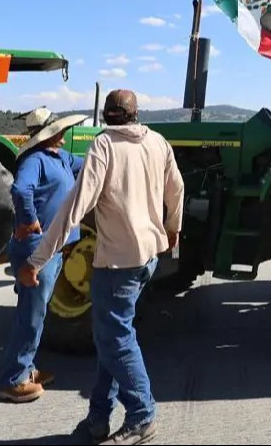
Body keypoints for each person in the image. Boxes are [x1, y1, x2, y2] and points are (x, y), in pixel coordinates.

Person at [22, 89, 184, 446]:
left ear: (107, 116)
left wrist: (37, 260)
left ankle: (142, 415)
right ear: (135, 113)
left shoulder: (104, 146)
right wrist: (173, 230)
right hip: (148, 257)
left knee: (116, 339)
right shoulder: (158, 142)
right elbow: (177, 189)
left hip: (118, 261)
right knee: (109, 336)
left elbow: (74, 208)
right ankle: (97, 417)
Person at [0, 108, 88, 403]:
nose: (63, 138)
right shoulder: (34, 160)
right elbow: (21, 190)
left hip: (53, 246)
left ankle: (27, 368)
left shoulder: (59, 158)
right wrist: (28, 219)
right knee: (30, 317)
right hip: (36, 247)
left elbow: (88, 165)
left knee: (38, 312)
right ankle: (13, 380)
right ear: (45, 135)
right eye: (58, 133)